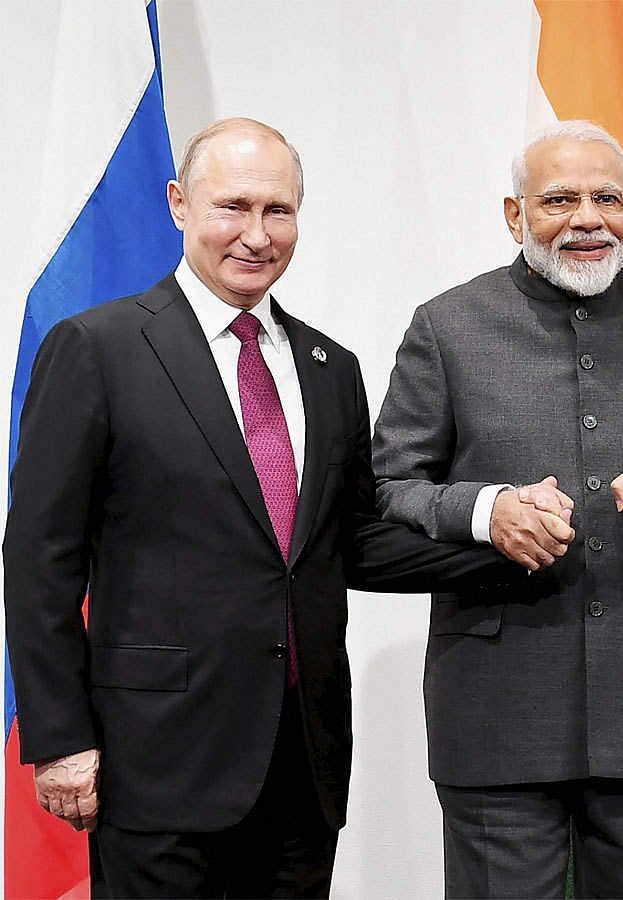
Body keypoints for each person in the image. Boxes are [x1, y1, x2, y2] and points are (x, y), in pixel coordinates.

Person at [3, 117, 514, 898]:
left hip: (301, 768)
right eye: (232, 207)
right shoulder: (96, 349)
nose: (256, 234)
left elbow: (353, 544)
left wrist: (498, 534)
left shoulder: (329, 366)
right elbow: (39, 557)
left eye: (278, 210)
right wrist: (61, 738)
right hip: (157, 766)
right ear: (179, 205)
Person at [371, 120, 623, 898]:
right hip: (496, 705)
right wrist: (487, 511)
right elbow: (390, 484)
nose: (588, 217)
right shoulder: (446, 325)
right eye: (560, 198)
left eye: (607, 198)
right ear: (515, 216)